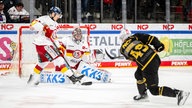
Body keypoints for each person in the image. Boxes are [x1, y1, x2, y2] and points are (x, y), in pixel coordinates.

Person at [119, 29, 190, 105]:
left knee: (154, 90)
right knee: (138, 74)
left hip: (147, 65)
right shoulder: (135, 36)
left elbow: (133, 59)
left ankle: (179, 94)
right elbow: (151, 39)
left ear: (123, 38)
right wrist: (159, 46)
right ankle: (142, 95)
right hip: (154, 57)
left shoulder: (122, 50)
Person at [27, 6, 84, 85]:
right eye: (57, 15)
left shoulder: (56, 24)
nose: (58, 17)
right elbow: (31, 26)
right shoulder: (43, 19)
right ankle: (72, 77)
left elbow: (54, 37)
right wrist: (44, 28)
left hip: (43, 46)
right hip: (43, 45)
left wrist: (59, 47)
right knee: (59, 60)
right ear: (53, 14)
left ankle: (32, 79)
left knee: (43, 63)